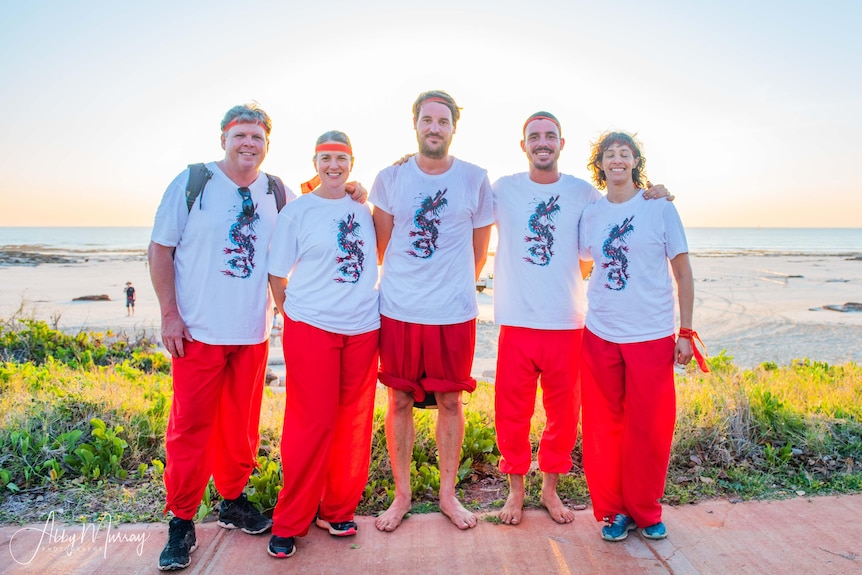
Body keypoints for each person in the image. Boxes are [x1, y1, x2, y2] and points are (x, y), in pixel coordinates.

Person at [492, 113, 670, 526]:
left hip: (568, 323)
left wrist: (653, 193)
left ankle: (550, 492)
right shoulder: (503, 190)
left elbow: (620, 211)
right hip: (516, 321)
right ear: (523, 145)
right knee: (511, 414)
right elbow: (455, 192)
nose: (542, 142)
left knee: (564, 416)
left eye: (549, 136)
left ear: (561, 143)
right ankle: (515, 493)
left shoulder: (584, 193)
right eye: (534, 136)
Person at [370, 90, 494, 532]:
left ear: (454, 127)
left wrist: (447, 283)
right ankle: (401, 496)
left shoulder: (475, 178)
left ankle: (447, 495)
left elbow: (479, 253)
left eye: (443, 121)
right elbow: (380, 248)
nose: (435, 127)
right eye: (427, 120)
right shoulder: (391, 177)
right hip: (400, 308)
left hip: (453, 311)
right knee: (399, 398)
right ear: (416, 124)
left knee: (449, 399)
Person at [578, 131, 704, 543]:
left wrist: (685, 331)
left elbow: (683, 273)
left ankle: (646, 510)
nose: (617, 160)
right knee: (603, 427)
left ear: (635, 162)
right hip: (600, 334)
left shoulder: (659, 208)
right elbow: (581, 266)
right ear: (600, 165)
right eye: (609, 154)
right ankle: (614, 512)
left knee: (650, 428)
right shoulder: (591, 213)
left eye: (624, 153)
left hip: (650, 335)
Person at [266, 131, 379, 559]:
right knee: (309, 425)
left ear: (352, 163)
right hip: (311, 327)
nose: (334, 166)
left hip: (364, 328)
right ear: (315, 162)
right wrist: (289, 315)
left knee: (352, 422)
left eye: (342, 159)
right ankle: (290, 520)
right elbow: (278, 274)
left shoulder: (365, 209)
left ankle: (336, 510)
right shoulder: (297, 212)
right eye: (326, 158)